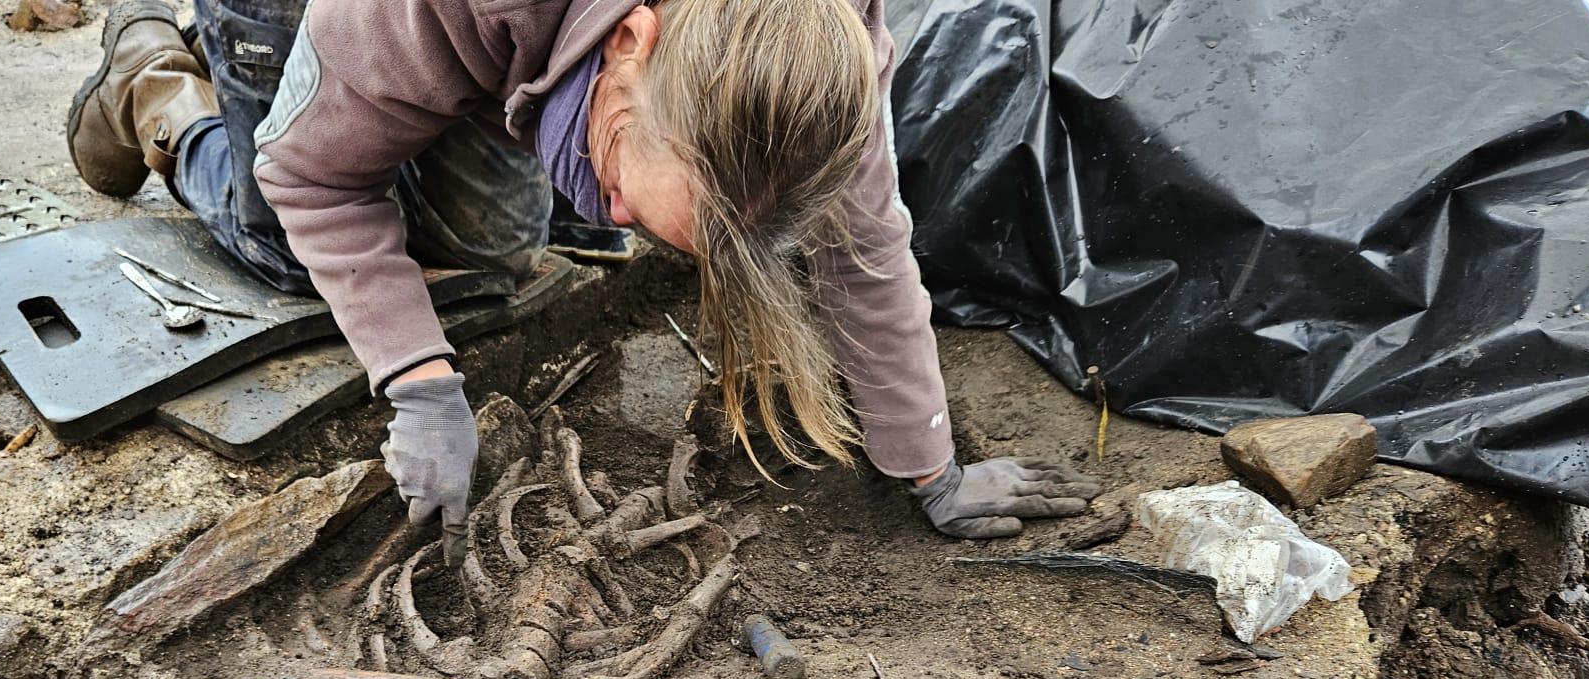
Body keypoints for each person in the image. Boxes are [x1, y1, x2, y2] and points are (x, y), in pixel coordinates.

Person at [66, 0, 1099, 562]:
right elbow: (317, 180)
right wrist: (418, 380)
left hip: (519, 36)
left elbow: (866, 255)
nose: (609, 221)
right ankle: (160, 82)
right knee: (283, 231)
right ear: (632, 44)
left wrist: (928, 463)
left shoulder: (818, 62)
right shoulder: (406, 14)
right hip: (335, 16)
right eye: (624, 186)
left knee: (490, 235)